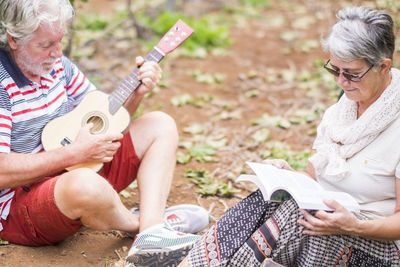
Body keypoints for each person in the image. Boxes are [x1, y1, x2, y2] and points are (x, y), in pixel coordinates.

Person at [179, 6, 400, 267]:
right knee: (268, 201)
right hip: (329, 218)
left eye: (351, 74)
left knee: (304, 217)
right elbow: (312, 179)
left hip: (379, 245)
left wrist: (354, 227)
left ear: (384, 66)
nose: (341, 82)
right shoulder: (342, 111)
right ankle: (197, 263)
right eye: (335, 70)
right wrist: (287, 175)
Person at [0, 0, 208, 264]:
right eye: (45, 45)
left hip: (74, 169)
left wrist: (137, 95)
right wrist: (73, 153)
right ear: (14, 39)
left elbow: (104, 118)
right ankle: (139, 224)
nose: (56, 53)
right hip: (21, 205)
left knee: (160, 124)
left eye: (60, 41)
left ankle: (152, 232)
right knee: (85, 184)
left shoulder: (59, 67)